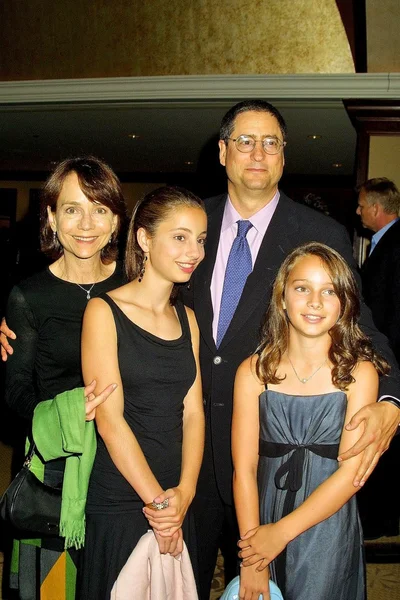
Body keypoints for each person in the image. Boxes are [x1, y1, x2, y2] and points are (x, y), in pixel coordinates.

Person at [181, 99, 400, 600]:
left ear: (284, 156)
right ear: (222, 152)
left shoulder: (320, 234)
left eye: (271, 142)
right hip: (185, 454)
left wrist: (391, 401)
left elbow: (363, 327)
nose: (258, 152)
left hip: (269, 468)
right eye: (245, 140)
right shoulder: (192, 223)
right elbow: (141, 298)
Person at [232, 242, 389, 600]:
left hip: (326, 522)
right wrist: (252, 556)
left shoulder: (359, 373)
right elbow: (243, 469)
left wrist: (282, 532)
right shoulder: (254, 372)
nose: (315, 301)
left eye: (328, 291)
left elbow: (351, 476)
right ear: (283, 298)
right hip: (261, 517)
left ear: (344, 303)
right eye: (302, 288)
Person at [4, 156, 128, 600]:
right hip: (56, 468)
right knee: (53, 586)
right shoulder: (29, 296)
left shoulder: (136, 285)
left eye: (100, 209)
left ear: (116, 221)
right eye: (72, 209)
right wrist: (71, 410)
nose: (86, 223)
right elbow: (14, 393)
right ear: (52, 218)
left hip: (125, 462)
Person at [78, 186, 206, 599]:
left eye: (201, 240)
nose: (194, 251)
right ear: (144, 239)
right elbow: (110, 422)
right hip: (123, 496)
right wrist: (160, 506)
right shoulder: (104, 311)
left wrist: (184, 493)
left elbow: (193, 413)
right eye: (180, 237)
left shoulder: (188, 319)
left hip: (177, 493)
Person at [356, 177, 400, 538]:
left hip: (391, 360)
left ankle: (379, 520)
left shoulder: (395, 246)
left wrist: (383, 363)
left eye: (360, 206)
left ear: (375, 208)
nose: (357, 213)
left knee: (385, 442)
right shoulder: (385, 244)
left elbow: (389, 313)